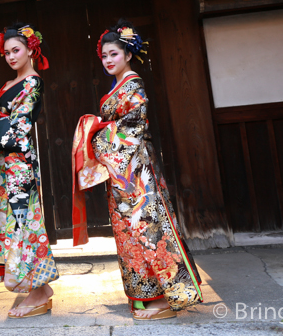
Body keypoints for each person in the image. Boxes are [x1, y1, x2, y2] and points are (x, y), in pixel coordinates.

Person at [72, 19, 203, 321]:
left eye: (113, 54)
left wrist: (97, 137)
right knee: (128, 232)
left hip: (134, 168)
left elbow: (133, 125)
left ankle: (165, 297)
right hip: (121, 171)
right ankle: (144, 295)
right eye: (104, 56)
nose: (107, 60)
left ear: (128, 54)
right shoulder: (120, 84)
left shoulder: (135, 84)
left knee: (146, 228)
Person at [0, 23, 59, 319]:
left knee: (23, 224)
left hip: (18, 165)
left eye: (16, 50)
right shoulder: (8, 85)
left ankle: (39, 290)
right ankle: (36, 289)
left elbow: (19, 128)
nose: (11, 56)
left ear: (30, 50)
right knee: (12, 223)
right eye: (6, 52)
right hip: (4, 166)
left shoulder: (33, 82)